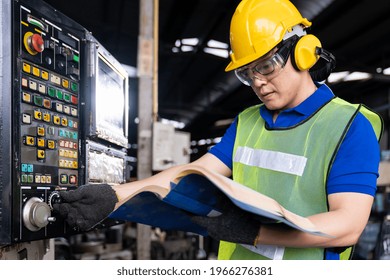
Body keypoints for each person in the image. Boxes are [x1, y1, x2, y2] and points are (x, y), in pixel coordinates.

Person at [53, 0, 383, 260]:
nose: (258, 83)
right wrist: (118, 194)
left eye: (265, 67)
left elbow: (348, 226)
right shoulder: (248, 121)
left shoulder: (349, 127)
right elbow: (195, 171)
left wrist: (251, 231)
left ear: (302, 52)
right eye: (247, 74)